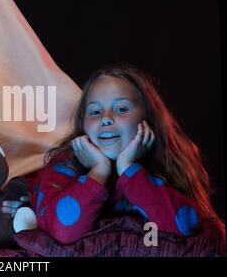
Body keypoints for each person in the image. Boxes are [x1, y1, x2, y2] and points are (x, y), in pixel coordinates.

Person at [31, 65, 225, 245]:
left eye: (121, 109)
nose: (106, 119)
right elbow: (60, 232)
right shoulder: (65, 163)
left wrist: (129, 168)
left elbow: (185, 224)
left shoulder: (168, 163)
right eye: (95, 111)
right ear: (83, 123)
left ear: (147, 117)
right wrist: (99, 171)